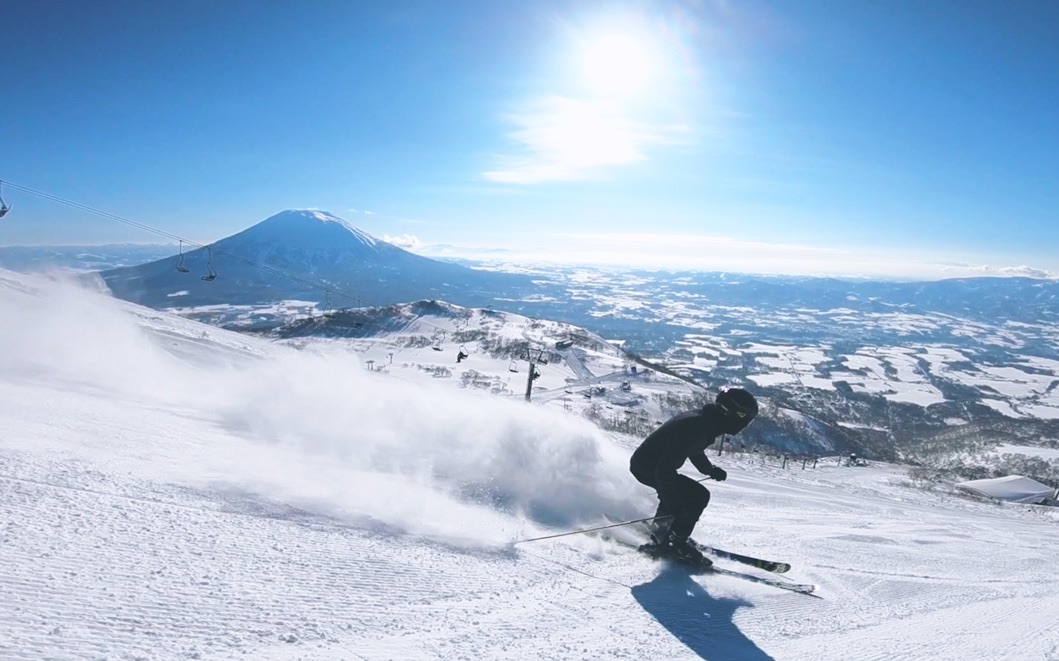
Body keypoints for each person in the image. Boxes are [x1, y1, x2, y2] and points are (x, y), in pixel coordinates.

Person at [629, 386, 759, 565]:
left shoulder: (706, 421)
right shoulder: (697, 426)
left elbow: (694, 450)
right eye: (745, 419)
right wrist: (673, 502)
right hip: (648, 467)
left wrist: (710, 470)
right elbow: (664, 471)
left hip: (648, 464)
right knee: (696, 496)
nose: (745, 425)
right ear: (733, 414)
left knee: (684, 494)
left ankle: (664, 532)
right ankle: (673, 542)